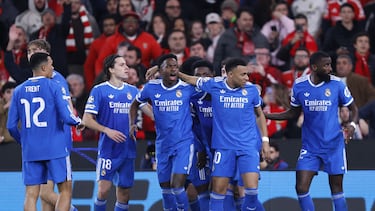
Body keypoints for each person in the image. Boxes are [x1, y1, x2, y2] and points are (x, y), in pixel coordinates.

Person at [265, 51, 359, 211]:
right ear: (314, 67)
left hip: (333, 145)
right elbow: (293, 112)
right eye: (326, 65)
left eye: (331, 64)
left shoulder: (337, 85)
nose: (330, 68)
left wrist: (352, 125)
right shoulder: (300, 86)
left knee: (336, 188)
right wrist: (266, 115)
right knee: (301, 187)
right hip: (310, 147)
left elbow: (353, 108)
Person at [177, 57, 270, 211]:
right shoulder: (214, 86)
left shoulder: (252, 90)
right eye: (243, 75)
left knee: (250, 190)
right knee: (218, 191)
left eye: (247, 74)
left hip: (247, 147)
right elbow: (192, 80)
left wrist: (265, 141)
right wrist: (174, 72)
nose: (247, 78)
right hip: (223, 148)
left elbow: (260, 115)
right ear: (230, 74)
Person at [7, 52, 82, 211]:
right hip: (55, 148)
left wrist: (24, 142)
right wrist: (78, 122)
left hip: (31, 150)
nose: (52, 68)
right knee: (65, 190)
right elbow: (66, 115)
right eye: (51, 64)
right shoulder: (54, 86)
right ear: (43, 67)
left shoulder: (19, 90)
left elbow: (11, 126)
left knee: (31, 194)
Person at [129, 54, 196, 210]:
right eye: (169, 66)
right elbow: (135, 104)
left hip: (183, 143)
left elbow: (208, 87)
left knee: (177, 185)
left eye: (175, 66)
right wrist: (131, 124)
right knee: (165, 187)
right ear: (160, 70)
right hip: (163, 144)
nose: (173, 69)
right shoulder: (151, 88)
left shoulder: (187, 88)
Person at [82, 54, 139, 211]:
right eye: (121, 65)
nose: (126, 67)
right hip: (109, 149)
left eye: (126, 64)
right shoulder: (99, 90)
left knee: (125, 192)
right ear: (111, 69)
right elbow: (87, 119)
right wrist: (107, 130)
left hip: (128, 149)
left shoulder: (133, 91)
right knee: (103, 190)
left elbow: (149, 112)